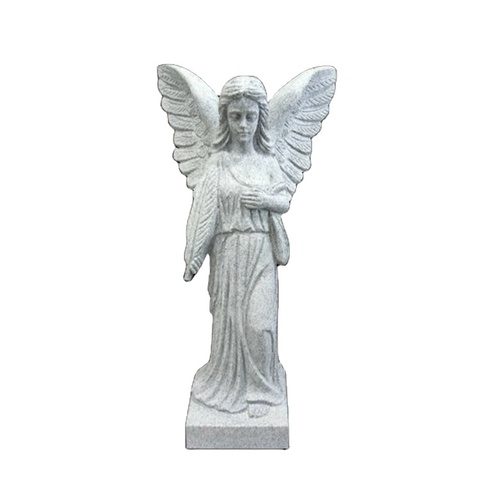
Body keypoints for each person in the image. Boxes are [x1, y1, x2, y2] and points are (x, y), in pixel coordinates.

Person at [185, 76, 291, 417]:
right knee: (232, 325)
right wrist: (194, 254)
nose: (243, 125)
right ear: (225, 119)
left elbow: (284, 199)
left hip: (261, 251)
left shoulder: (268, 162)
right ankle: (233, 382)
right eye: (235, 117)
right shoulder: (217, 164)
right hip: (229, 254)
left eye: (250, 116)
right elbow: (204, 212)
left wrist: (265, 200)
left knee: (259, 325)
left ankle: (263, 388)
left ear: (260, 118)